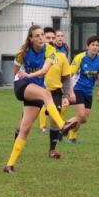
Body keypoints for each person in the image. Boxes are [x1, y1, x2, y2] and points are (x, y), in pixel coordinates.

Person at [3, 25, 77, 174]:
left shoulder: (50, 50)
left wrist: (30, 75)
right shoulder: (22, 52)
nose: (41, 38)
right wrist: (22, 77)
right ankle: (62, 126)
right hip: (22, 85)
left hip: (35, 86)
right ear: (30, 38)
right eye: (37, 35)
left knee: (25, 129)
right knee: (47, 94)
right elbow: (16, 69)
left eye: (42, 35)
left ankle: (9, 165)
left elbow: (44, 70)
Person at [36, 27, 72, 158]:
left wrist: (67, 95)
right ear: (42, 38)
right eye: (48, 38)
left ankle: (52, 150)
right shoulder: (36, 55)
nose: (51, 40)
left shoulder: (61, 57)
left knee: (54, 120)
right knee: (25, 122)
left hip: (55, 92)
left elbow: (66, 78)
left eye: (53, 38)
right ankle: (16, 145)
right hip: (37, 91)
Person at [66, 35, 99, 144]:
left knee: (84, 119)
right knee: (81, 115)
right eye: (92, 45)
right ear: (87, 46)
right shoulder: (80, 58)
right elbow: (70, 75)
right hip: (77, 89)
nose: (95, 47)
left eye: (97, 45)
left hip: (89, 91)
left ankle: (65, 127)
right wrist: (71, 91)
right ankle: (69, 135)